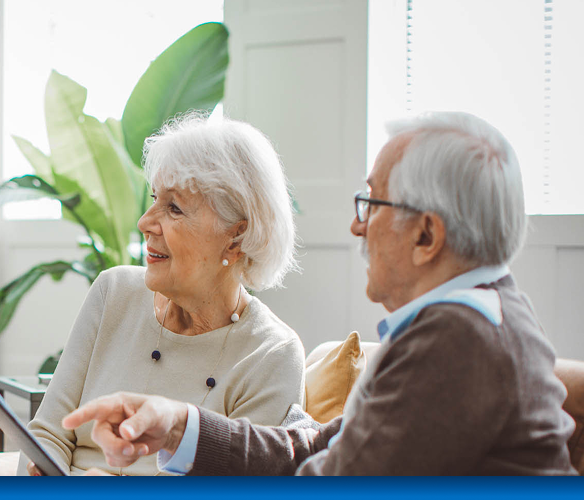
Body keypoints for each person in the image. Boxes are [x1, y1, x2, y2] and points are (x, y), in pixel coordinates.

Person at [62, 111, 578, 475]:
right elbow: (313, 447)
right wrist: (180, 425)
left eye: (371, 204)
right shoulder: (489, 316)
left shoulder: (454, 344)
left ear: (425, 236)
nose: (357, 229)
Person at [22, 114, 305, 475]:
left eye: (174, 208)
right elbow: (49, 433)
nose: (144, 222)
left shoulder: (271, 355)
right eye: (155, 198)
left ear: (235, 237)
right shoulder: (114, 293)